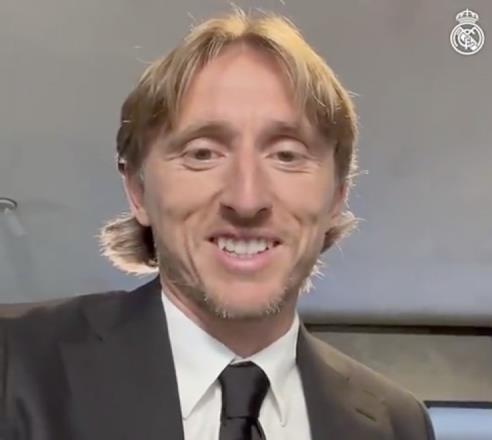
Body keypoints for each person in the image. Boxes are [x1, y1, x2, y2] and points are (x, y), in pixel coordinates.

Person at [0, 9, 435, 440]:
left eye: (287, 155)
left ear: (337, 196)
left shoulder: (398, 425)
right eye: (203, 154)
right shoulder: (14, 363)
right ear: (138, 190)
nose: (246, 199)